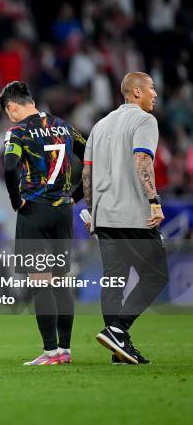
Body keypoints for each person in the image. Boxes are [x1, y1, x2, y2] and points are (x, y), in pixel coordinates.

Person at [83, 72, 168, 365]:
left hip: (104, 215)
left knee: (114, 279)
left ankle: (120, 347)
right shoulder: (145, 121)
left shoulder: (99, 125)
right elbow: (142, 159)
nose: (155, 94)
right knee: (156, 275)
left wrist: (93, 212)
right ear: (135, 92)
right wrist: (154, 201)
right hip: (133, 215)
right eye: (151, 89)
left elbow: (87, 174)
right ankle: (118, 330)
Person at [0, 80, 86, 366]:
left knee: (40, 282)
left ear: (12, 107)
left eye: (8, 112)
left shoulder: (17, 131)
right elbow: (90, 157)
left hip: (34, 210)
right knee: (61, 282)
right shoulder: (63, 125)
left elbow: (10, 166)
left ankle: (50, 352)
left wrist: (15, 200)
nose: (9, 118)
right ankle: (65, 349)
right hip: (63, 211)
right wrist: (78, 195)